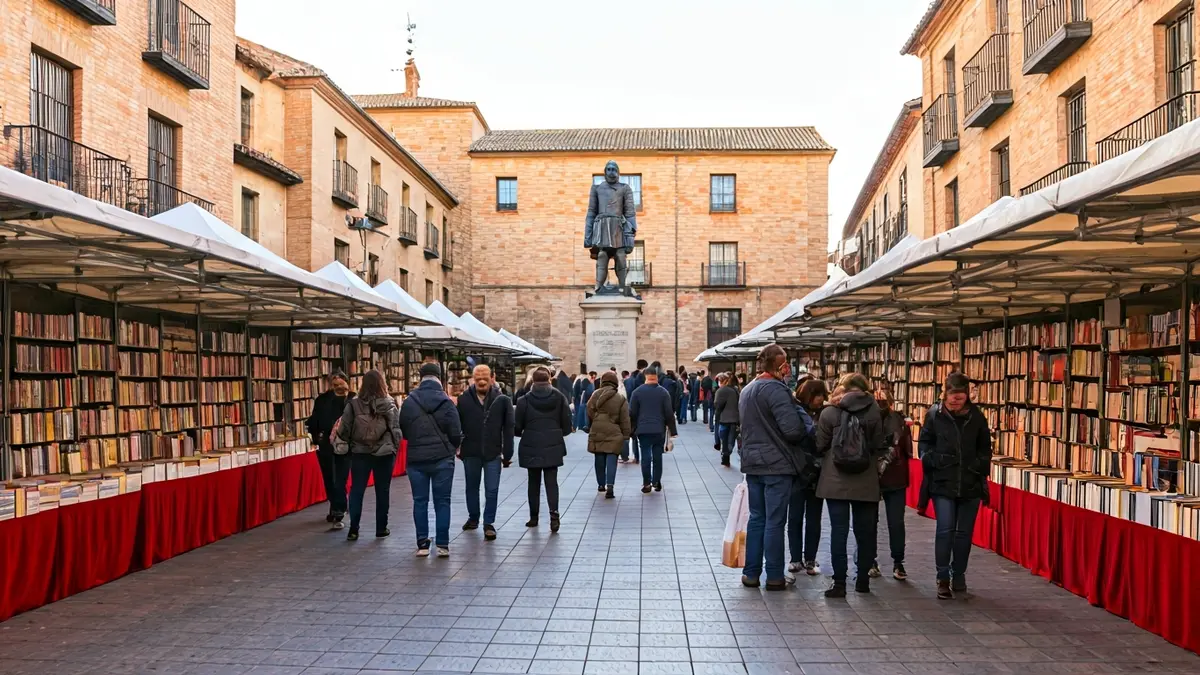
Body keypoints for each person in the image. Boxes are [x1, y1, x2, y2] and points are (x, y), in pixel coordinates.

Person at [737, 344, 810, 590]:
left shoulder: (747, 390)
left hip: (753, 463)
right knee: (775, 521)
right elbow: (792, 431)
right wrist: (798, 408)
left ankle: (751, 573)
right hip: (777, 466)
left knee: (757, 518)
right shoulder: (776, 390)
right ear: (781, 366)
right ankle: (775, 576)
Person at [920, 372, 992, 599]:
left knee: (964, 533)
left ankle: (958, 574)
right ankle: (942, 577)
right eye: (952, 399)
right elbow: (924, 443)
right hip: (943, 480)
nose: (955, 403)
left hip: (970, 482)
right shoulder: (934, 415)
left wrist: (978, 465)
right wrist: (933, 459)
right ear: (945, 395)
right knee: (945, 529)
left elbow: (985, 448)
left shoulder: (977, 417)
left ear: (967, 397)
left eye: (960, 399)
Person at [815, 373, 887, 597]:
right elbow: (878, 443)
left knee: (838, 532)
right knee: (865, 532)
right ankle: (863, 580)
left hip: (835, 480)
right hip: (865, 480)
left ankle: (839, 583)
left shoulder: (829, 412)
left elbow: (820, 445)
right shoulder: (875, 411)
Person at [400, 363, 463, 557]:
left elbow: (403, 429)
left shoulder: (410, 401)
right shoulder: (446, 401)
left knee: (420, 501)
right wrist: (451, 446)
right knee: (442, 501)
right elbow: (455, 431)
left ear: (421, 377)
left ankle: (422, 544)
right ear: (439, 378)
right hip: (442, 459)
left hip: (416, 458)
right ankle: (442, 544)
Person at [333, 369, 401, 542]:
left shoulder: (353, 404)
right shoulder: (390, 403)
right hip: (384, 453)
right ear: (382, 383)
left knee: (357, 490)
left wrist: (346, 446)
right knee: (382, 490)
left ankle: (354, 529)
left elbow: (345, 428)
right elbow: (395, 428)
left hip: (360, 452)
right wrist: (394, 446)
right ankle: (381, 528)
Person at [455, 364, 514, 542]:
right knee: (471, 487)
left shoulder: (501, 399)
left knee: (492, 489)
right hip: (470, 451)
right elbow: (457, 425)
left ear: (492, 378)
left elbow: (508, 427)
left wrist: (508, 452)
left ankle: (488, 522)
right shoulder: (464, 399)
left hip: (493, 451)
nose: (481, 382)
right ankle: (473, 518)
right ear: (472, 379)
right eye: (478, 378)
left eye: (485, 378)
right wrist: (458, 446)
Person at [515, 367, 572, 532]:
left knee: (533, 482)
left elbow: (517, 427)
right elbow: (567, 424)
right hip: (553, 444)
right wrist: (558, 432)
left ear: (532, 381)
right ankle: (554, 516)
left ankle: (534, 517)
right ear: (549, 380)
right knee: (551, 482)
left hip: (531, 444)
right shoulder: (559, 397)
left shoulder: (523, 400)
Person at [868, 385, 912, 581]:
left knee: (880, 521)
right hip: (890, 475)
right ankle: (895, 562)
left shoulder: (868, 419)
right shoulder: (900, 421)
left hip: (878, 475)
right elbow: (907, 450)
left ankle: (876, 561)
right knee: (893, 522)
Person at [788, 377, 829, 576]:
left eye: (823, 395)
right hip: (798, 470)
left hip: (817, 472)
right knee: (795, 516)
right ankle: (796, 558)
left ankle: (810, 558)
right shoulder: (795, 412)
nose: (821, 399)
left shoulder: (826, 414)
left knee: (814, 518)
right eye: (817, 395)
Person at [306, 371, 354, 528]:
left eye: (340, 383)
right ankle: (336, 506)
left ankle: (339, 509)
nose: (337, 387)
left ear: (346, 383)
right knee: (328, 477)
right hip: (326, 444)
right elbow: (315, 420)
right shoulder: (323, 399)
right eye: (334, 384)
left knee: (340, 477)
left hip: (346, 445)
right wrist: (316, 438)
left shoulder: (353, 399)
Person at [629, 366, 678, 493]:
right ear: (656, 377)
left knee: (645, 456)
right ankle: (656, 481)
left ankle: (646, 483)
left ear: (645, 377)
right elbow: (669, 413)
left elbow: (632, 413)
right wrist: (673, 431)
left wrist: (631, 429)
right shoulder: (663, 392)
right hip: (658, 430)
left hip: (643, 430)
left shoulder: (637, 392)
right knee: (658, 456)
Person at [587, 371, 631, 499]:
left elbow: (589, 409)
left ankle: (601, 484)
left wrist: (597, 418)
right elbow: (625, 419)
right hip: (614, 430)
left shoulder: (595, 394)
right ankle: (610, 485)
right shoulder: (620, 398)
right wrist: (626, 435)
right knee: (612, 458)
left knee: (599, 457)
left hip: (597, 428)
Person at [621, 360, 648, 462]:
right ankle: (637, 456)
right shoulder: (643, 379)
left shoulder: (628, 380)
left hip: (630, 409)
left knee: (629, 433)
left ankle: (629, 455)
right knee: (637, 434)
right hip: (642, 410)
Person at [713, 372, 740, 467]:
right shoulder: (735, 390)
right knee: (731, 440)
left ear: (722, 381)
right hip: (734, 419)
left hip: (723, 419)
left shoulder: (721, 391)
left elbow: (717, 405)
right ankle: (727, 453)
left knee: (723, 439)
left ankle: (725, 455)